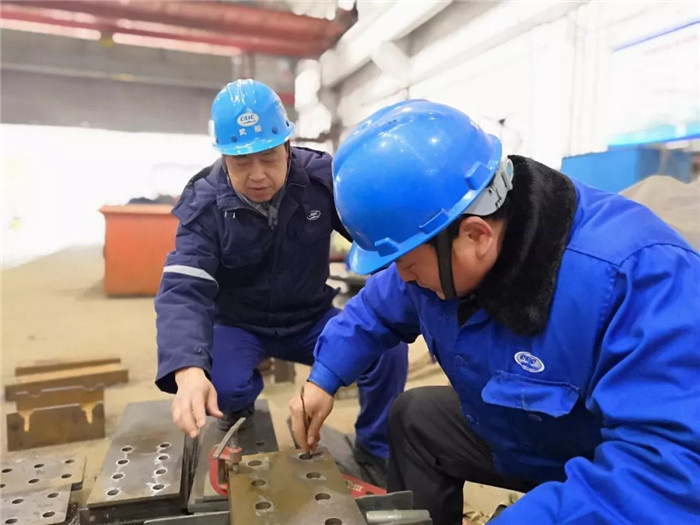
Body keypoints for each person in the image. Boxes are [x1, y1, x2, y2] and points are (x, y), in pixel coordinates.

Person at [289, 100, 700, 524]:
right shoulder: (439, 243)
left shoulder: (640, 276)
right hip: (519, 435)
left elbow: (666, 475)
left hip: (598, 461)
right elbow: (374, 312)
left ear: (476, 236)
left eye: (406, 264)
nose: (402, 277)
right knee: (416, 419)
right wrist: (323, 378)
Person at [154, 79, 408, 471]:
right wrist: (187, 371)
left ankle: (376, 448)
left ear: (288, 146)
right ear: (223, 157)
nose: (258, 174)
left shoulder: (323, 181)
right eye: (241, 162)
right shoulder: (204, 205)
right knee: (219, 387)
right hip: (238, 324)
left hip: (310, 318)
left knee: (387, 348)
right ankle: (241, 411)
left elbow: (378, 242)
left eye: (269, 157)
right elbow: (184, 290)